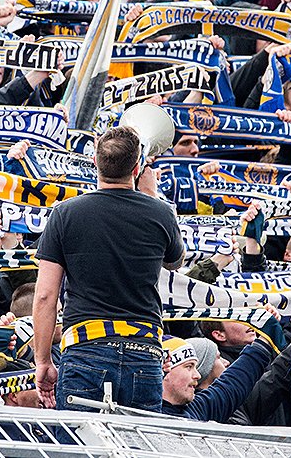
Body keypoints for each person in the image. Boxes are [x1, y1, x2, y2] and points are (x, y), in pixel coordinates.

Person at [32, 126, 185, 412]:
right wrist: (152, 197)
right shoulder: (161, 212)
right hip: (145, 351)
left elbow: (44, 297)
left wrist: (43, 361)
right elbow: (175, 260)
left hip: (85, 350)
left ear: (94, 162)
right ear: (137, 168)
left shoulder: (64, 213)